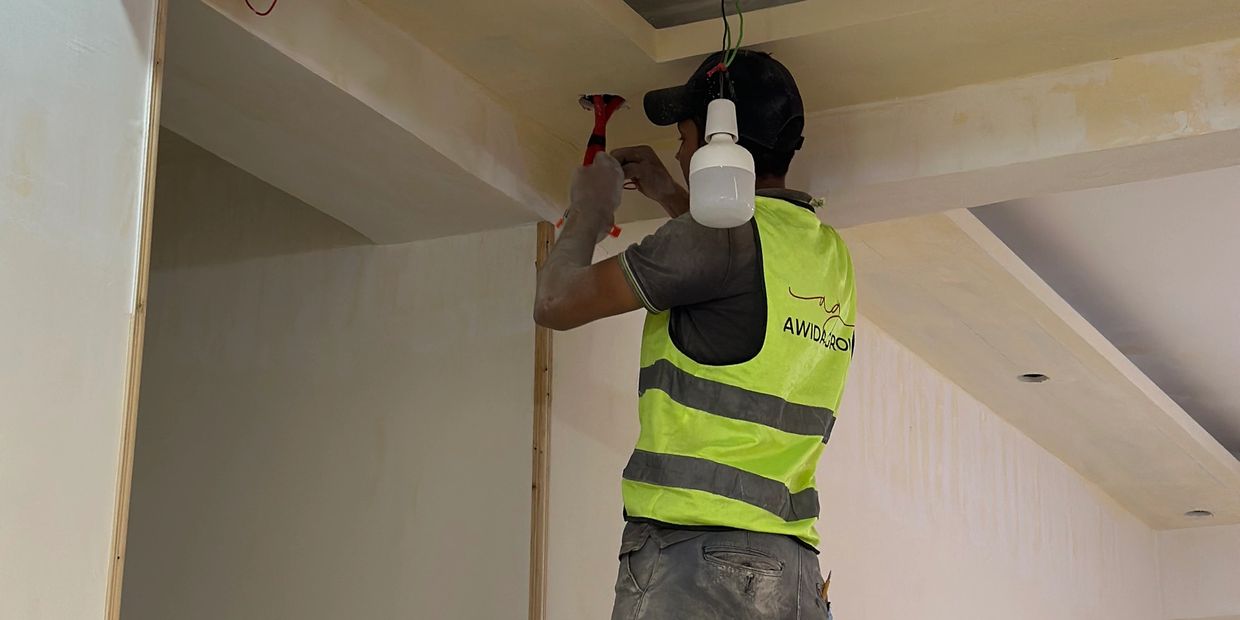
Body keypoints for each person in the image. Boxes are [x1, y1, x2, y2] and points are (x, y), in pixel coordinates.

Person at [534, 49, 854, 620]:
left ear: (716, 142)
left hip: (698, 564)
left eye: (684, 139)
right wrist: (669, 195)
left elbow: (555, 303)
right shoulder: (828, 252)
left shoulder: (714, 239)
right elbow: (732, 275)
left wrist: (588, 210)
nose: (680, 154)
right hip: (792, 574)